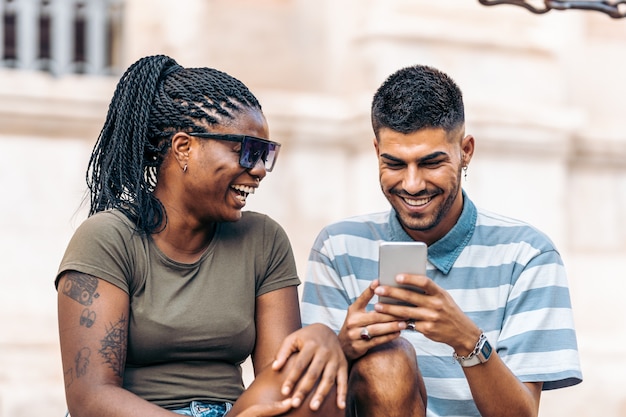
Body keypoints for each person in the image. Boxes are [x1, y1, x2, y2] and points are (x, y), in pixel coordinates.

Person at [56, 54, 348, 417]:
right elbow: (90, 398)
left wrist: (321, 339)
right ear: (184, 148)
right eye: (246, 151)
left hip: (236, 411)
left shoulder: (263, 239)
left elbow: (282, 377)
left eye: (266, 153)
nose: (258, 170)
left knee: (314, 381)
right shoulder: (107, 239)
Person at [301, 64, 582, 417]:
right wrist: (342, 347)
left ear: (466, 150)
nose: (413, 184)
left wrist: (467, 340)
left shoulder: (528, 254)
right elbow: (308, 402)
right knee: (387, 361)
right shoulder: (337, 247)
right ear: (376, 152)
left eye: (431, 163)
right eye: (395, 164)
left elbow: (522, 414)